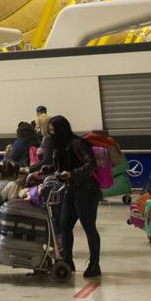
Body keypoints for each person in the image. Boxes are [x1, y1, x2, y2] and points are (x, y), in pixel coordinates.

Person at [40, 115, 102, 277]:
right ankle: (68, 260)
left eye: (54, 130)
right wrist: (49, 169)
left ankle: (95, 264)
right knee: (65, 225)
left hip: (87, 190)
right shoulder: (59, 146)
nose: (52, 134)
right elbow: (60, 165)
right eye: (50, 131)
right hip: (70, 189)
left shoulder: (77, 143)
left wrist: (72, 174)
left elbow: (91, 164)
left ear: (62, 129)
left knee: (89, 227)